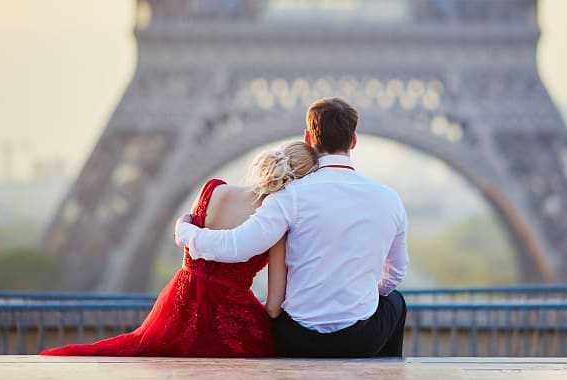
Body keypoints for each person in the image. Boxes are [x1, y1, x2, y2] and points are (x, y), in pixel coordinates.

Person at [175, 97, 409, 357]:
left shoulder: (290, 196)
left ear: (308, 138)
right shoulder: (389, 198)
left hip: (298, 338)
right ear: (353, 141)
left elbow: (237, 246)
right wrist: (367, 294)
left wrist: (187, 233)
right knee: (395, 301)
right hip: (360, 339)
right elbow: (396, 271)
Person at [40, 141, 318, 357]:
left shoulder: (213, 190)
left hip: (179, 308)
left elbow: (192, 240)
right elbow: (272, 308)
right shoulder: (278, 228)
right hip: (232, 324)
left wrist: (184, 231)